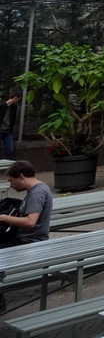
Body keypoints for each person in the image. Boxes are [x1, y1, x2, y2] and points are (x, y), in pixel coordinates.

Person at [0, 160, 53, 312]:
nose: (10, 185)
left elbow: (30, 222)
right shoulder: (37, 189)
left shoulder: (37, 192)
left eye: (11, 180)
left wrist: (3, 218)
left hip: (30, 241)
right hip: (24, 238)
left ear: (21, 176)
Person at [0, 93, 19, 159]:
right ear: (15, 98)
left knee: (10, 150)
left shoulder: (14, 107)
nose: (17, 101)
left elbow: (12, 119)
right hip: (1, 129)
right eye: (17, 99)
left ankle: (10, 164)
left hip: (8, 131)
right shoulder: (2, 106)